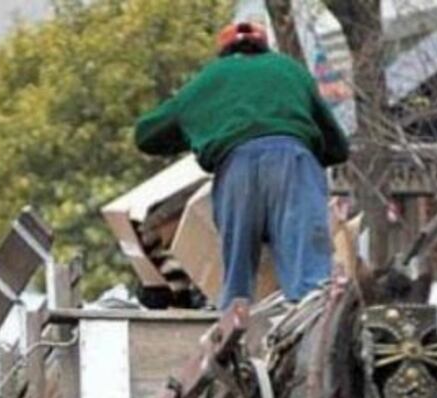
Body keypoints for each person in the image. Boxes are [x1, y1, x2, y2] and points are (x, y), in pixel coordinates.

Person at [134, 22, 349, 309]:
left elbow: (146, 134)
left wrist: (195, 133)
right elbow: (338, 146)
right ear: (264, 46)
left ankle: (236, 332)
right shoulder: (290, 70)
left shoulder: (207, 80)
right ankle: (314, 328)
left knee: (238, 278)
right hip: (294, 163)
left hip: (236, 169)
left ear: (223, 50)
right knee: (309, 279)